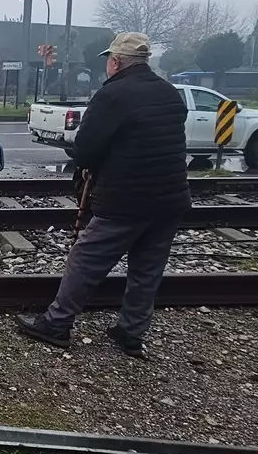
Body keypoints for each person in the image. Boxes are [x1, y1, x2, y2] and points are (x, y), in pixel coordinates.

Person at [17, 32, 190, 359]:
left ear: (115, 62)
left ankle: (56, 323)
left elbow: (85, 148)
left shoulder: (113, 95)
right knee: (147, 269)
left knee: (85, 259)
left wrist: (87, 171)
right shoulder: (169, 92)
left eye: (109, 61)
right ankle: (131, 333)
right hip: (170, 199)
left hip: (126, 199)